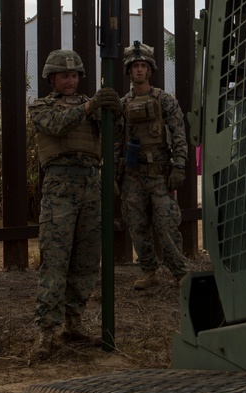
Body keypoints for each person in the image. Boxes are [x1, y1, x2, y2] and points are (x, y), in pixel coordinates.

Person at [28, 49, 120, 360]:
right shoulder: (41, 106)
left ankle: (74, 321)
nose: (70, 81)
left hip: (91, 185)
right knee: (55, 260)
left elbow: (113, 134)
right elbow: (57, 125)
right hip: (60, 186)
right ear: (51, 78)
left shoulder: (90, 106)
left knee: (87, 260)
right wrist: (91, 106)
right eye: (64, 75)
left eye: (74, 75)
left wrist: (116, 111)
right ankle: (46, 331)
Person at [114, 41, 190, 290]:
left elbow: (179, 133)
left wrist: (179, 165)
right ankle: (149, 272)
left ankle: (181, 273)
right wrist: (114, 174)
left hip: (159, 173)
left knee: (166, 224)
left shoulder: (165, 100)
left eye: (143, 66)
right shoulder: (123, 105)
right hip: (132, 174)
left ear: (150, 69)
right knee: (137, 225)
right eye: (135, 66)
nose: (139, 70)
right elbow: (116, 141)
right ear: (129, 71)